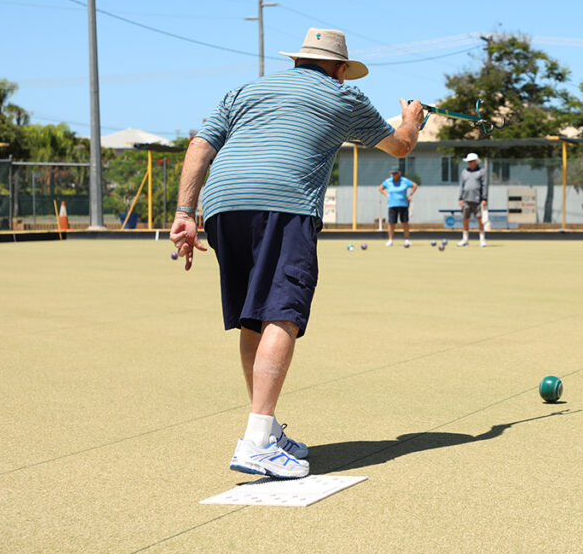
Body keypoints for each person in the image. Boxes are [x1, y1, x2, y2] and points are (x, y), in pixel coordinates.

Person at [169, 28, 423, 478]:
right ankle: (255, 444)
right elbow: (399, 146)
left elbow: (200, 146)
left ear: (298, 60)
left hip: (222, 203)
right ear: (339, 69)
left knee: (254, 316)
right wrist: (411, 119)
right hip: (284, 203)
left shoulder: (245, 91)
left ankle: (263, 432)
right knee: (281, 313)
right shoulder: (345, 98)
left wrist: (185, 212)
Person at [379, 168, 417, 246]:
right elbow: (380, 188)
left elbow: (415, 185)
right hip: (392, 204)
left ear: (399, 173)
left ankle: (406, 240)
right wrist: (386, 195)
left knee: (405, 223)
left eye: (395, 173)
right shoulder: (388, 181)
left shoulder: (404, 180)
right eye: (392, 174)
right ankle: (390, 240)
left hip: (403, 204)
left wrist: (410, 194)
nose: (393, 175)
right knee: (391, 223)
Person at [458, 152, 487, 246]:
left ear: (476, 161)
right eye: (469, 161)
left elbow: (484, 185)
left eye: (472, 161)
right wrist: (460, 198)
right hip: (466, 199)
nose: (470, 163)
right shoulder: (464, 172)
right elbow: (461, 185)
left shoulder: (481, 172)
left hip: (478, 200)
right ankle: (465, 239)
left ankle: (482, 239)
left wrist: (484, 198)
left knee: (480, 219)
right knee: (465, 219)